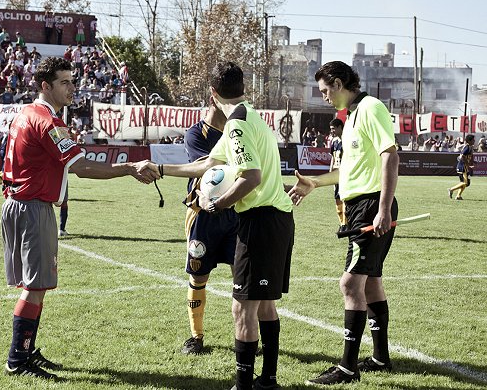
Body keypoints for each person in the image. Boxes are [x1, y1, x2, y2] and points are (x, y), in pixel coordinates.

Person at [0, 56, 157, 378]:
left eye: (73, 80)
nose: (73, 87)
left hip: (17, 203)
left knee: (35, 284)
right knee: (36, 286)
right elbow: (82, 168)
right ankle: (18, 359)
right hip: (32, 207)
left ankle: (27, 351)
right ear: (46, 86)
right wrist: (128, 168)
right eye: (65, 82)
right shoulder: (48, 121)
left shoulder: (26, 113)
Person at [142, 62, 294, 390]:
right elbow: (207, 164)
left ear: (212, 95)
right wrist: (161, 169)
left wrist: (218, 203)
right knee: (263, 304)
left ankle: (243, 384)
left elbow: (250, 178)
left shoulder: (236, 124)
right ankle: (267, 380)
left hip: (260, 221)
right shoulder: (249, 117)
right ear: (244, 89)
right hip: (275, 219)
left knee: (243, 309)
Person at [288, 61, 399, 385]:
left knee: (350, 284)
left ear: (338, 83)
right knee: (371, 282)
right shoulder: (350, 118)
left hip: (370, 205)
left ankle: (348, 369)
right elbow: (347, 172)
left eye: (324, 90)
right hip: (360, 205)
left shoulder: (370, 108)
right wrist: (314, 183)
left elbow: (390, 156)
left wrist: (382, 209)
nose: (324, 97)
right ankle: (380, 359)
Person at [179, 94, 239, 355]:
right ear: (214, 101)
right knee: (198, 274)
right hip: (202, 215)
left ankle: (245, 335)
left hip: (235, 213)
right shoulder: (196, 134)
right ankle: (196, 336)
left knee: (242, 274)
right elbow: (210, 169)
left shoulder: (237, 133)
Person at [328, 118, 347, 232]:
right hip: (336, 174)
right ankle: (342, 223)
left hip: (344, 174)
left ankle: (346, 223)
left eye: (333, 128)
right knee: (337, 199)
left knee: (344, 198)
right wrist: (330, 172)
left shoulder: (347, 140)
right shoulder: (334, 141)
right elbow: (333, 157)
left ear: (340, 127)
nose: (332, 131)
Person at [448, 134, 475, 200]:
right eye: (473, 140)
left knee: (466, 183)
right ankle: (451, 189)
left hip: (464, 167)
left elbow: (466, 156)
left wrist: (471, 162)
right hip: (463, 167)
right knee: (465, 183)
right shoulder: (467, 147)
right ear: (469, 141)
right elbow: (462, 156)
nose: (474, 141)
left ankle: (458, 196)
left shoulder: (470, 147)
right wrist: (468, 164)